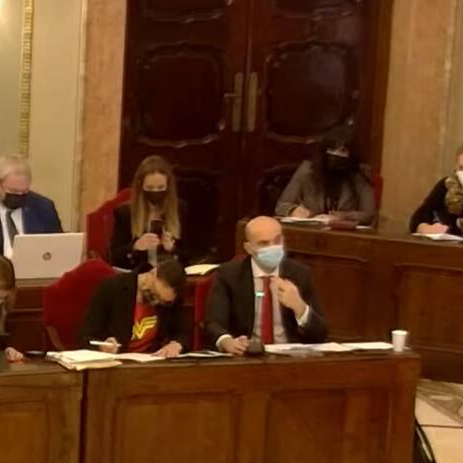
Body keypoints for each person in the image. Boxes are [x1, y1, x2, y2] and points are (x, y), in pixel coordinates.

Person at [205, 216, 328, 354]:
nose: (272, 248)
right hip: (247, 355)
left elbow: (320, 334)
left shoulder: (300, 274)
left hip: (289, 356)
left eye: (277, 241)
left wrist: (300, 307)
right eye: (264, 243)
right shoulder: (229, 275)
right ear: (249, 248)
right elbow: (214, 324)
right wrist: (227, 341)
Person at [80, 257, 190, 357]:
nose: (156, 302)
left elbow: (183, 332)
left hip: (152, 362)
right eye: (154, 294)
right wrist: (102, 346)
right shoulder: (112, 288)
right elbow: (85, 336)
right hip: (118, 363)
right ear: (152, 273)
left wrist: (176, 344)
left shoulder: (171, 299)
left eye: (163, 302)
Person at [275, 127, 376, 225]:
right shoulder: (307, 171)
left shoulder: (360, 176)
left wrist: (342, 216)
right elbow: (281, 206)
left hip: (344, 233)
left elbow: (369, 214)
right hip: (311, 230)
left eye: (343, 151)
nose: (336, 154)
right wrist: (293, 210)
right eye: (332, 149)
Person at [110, 155, 188, 271]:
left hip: (169, 275)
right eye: (150, 188)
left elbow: (190, 255)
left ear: (168, 186)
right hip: (137, 274)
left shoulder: (180, 209)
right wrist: (135, 247)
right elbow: (114, 257)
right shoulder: (125, 214)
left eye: (160, 187)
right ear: (141, 186)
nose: (155, 192)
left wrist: (172, 249)